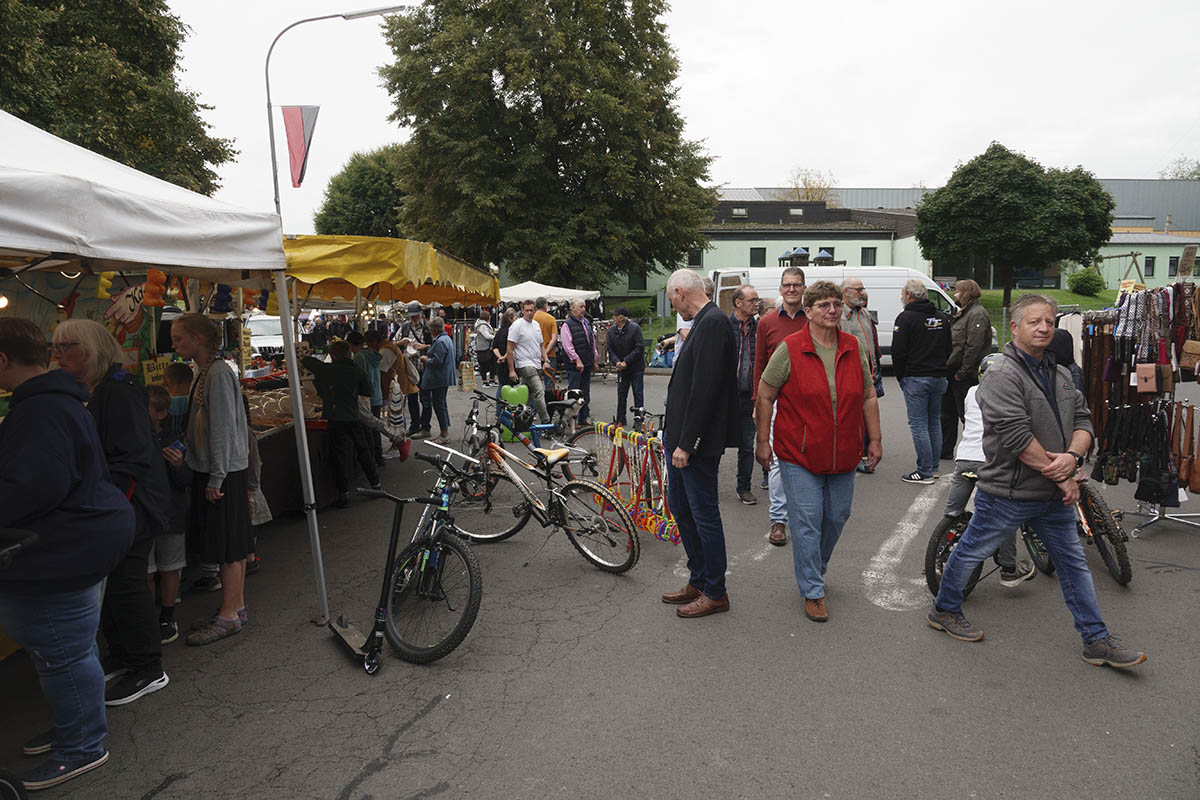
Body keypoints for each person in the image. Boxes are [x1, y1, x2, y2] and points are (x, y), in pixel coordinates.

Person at [928, 294, 1146, 669]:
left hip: (1049, 494)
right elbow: (1015, 437)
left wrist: (1073, 458)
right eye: (1035, 321)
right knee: (971, 551)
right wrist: (1064, 478)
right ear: (1014, 328)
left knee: (1074, 564)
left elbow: (1083, 422)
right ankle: (944, 610)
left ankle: (1096, 640)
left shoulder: (1060, 373)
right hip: (1008, 493)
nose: (1045, 327)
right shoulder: (1001, 374)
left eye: (1049, 321)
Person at [0, 318, 135, 792]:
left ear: (3, 360)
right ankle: (74, 729)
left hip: (66, 548)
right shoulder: (56, 401)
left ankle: (81, 744)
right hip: (83, 539)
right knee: (68, 649)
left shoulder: (42, 410)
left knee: (63, 652)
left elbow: (36, 485)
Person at [52, 319, 169, 704]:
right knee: (117, 586)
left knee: (126, 585)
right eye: (57, 346)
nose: (59, 353)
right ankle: (125, 656)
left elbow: (130, 457)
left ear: (92, 350)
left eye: (68, 345)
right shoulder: (100, 390)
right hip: (118, 506)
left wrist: (107, 505)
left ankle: (148, 667)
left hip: (130, 507)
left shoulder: (118, 391)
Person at [755, 282, 882, 623]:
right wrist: (762, 441)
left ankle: (815, 567)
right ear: (807, 312)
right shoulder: (790, 348)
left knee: (836, 516)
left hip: (844, 452)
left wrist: (875, 439)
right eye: (824, 305)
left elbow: (869, 395)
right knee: (807, 520)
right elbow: (765, 395)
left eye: (836, 304)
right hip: (799, 452)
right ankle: (813, 589)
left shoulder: (853, 346)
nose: (832, 310)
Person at [659, 269, 739, 619]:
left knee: (703, 514)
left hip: (695, 445)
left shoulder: (713, 323)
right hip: (680, 438)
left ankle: (715, 591)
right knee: (681, 508)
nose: (674, 306)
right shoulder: (704, 321)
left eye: (672, 299)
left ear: (680, 292)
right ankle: (699, 578)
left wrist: (687, 443)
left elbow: (705, 390)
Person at [169, 314, 253, 646]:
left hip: (224, 473)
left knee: (228, 546)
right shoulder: (206, 373)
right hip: (222, 470)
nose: (174, 345)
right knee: (232, 543)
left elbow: (222, 429)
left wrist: (215, 477)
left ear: (199, 339)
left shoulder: (217, 374)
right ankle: (236, 607)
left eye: (179, 339)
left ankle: (229, 615)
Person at [939, 354, 1037, 587]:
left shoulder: (971, 392)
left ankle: (938, 555)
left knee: (952, 512)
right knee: (1004, 516)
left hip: (965, 459)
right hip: (992, 462)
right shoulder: (1013, 394)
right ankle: (1009, 568)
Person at [753, 266, 808, 545]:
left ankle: (804, 516)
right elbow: (759, 365)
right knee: (775, 461)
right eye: (787, 285)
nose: (791, 289)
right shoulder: (766, 323)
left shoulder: (814, 320)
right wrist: (757, 402)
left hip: (809, 404)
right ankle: (778, 520)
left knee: (806, 458)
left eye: (796, 285)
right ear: (780, 289)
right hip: (774, 402)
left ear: (803, 288)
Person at [302, 340, 381, 504]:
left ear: (331, 355)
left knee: (339, 455)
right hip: (353, 416)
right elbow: (367, 391)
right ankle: (376, 484)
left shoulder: (328, 369)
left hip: (335, 418)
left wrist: (301, 351)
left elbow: (309, 362)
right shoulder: (356, 370)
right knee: (363, 450)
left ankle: (343, 493)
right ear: (349, 354)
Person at [892, 278, 951, 484]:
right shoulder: (941, 317)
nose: (901, 297)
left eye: (902, 293)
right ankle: (933, 468)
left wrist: (901, 376)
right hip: (938, 376)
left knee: (918, 425)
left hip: (916, 376)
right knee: (933, 422)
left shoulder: (905, 318)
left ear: (909, 295)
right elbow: (948, 348)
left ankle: (924, 471)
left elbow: (898, 352)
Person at [145, 385, 191, 644]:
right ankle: (149, 617)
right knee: (147, 571)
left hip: (171, 513)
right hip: (144, 514)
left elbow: (186, 480)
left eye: (146, 409)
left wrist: (178, 465)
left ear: (162, 413)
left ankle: (167, 616)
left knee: (170, 568)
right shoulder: (134, 438)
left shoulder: (175, 440)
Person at [940, 279, 992, 459]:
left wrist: (961, 373)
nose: (955, 294)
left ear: (966, 293)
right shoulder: (962, 313)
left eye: (958, 291)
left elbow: (973, 347)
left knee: (967, 415)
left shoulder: (977, 314)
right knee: (947, 414)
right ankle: (945, 450)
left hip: (964, 375)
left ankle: (975, 453)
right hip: (953, 371)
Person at [729, 284, 760, 504]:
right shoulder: (724, 326)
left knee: (747, 444)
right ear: (738, 303)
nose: (756, 304)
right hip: (727, 396)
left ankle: (744, 487)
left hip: (751, 396)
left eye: (757, 300)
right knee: (717, 443)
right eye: (752, 300)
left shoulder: (761, 328)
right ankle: (709, 488)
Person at [507, 299, 551, 423]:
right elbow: (509, 348)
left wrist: (546, 360)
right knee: (539, 391)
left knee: (526, 394)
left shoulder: (536, 325)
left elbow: (541, 345)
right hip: (524, 364)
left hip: (536, 364)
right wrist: (511, 370)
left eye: (532, 310)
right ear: (522, 311)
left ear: (535, 310)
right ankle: (546, 422)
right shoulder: (517, 326)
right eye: (527, 310)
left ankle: (519, 420)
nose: (529, 313)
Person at [560, 298, 598, 426]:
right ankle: (573, 420)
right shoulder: (567, 325)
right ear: (573, 309)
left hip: (587, 361)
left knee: (585, 392)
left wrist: (595, 358)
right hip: (574, 364)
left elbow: (591, 341)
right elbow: (567, 345)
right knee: (573, 393)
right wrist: (577, 359)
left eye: (584, 306)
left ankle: (584, 417)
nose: (583, 309)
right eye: (581, 307)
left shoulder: (586, 322)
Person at [418, 319, 456, 444]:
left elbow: (436, 361)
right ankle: (444, 431)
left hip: (439, 378)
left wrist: (425, 359)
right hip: (443, 377)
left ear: (434, 330)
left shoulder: (440, 341)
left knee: (439, 405)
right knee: (441, 404)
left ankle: (444, 433)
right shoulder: (446, 339)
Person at [397, 302, 432, 436]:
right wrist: (401, 343)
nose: (414, 319)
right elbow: (393, 342)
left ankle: (425, 427)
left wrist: (423, 346)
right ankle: (414, 425)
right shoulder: (405, 327)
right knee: (412, 399)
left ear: (421, 313)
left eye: (416, 316)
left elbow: (437, 346)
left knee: (425, 399)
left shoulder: (428, 328)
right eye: (412, 316)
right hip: (409, 369)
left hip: (424, 368)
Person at [349, 331, 384, 464]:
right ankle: (378, 456)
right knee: (376, 428)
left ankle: (370, 459)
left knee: (368, 429)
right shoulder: (372, 355)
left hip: (366, 397)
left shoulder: (359, 357)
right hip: (377, 394)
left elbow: (357, 379)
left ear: (351, 345)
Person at [607, 306, 645, 427]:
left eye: (615, 315)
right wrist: (617, 362)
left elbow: (639, 348)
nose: (612, 318)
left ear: (621, 318)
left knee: (638, 393)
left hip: (636, 367)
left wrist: (626, 361)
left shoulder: (635, 329)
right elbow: (610, 349)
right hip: (621, 368)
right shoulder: (611, 331)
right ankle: (620, 418)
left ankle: (639, 419)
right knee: (621, 393)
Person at [491, 308, 518, 388]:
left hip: (500, 362)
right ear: (510, 319)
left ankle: (500, 399)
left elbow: (495, 347)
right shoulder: (512, 331)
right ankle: (499, 400)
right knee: (508, 386)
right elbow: (511, 348)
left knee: (502, 384)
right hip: (509, 362)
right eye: (516, 318)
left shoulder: (500, 331)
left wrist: (500, 357)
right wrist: (504, 357)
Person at [474, 308, 497, 387]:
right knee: (484, 364)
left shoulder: (484, 324)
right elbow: (486, 335)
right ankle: (485, 381)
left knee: (491, 363)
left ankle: (491, 379)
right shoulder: (482, 325)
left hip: (486, 347)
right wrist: (494, 336)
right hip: (483, 347)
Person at [533, 297, 558, 368]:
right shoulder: (551, 319)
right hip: (549, 354)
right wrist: (545, 353)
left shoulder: (531, 318)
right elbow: (554, 338)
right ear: (545, 305)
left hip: (534, 353)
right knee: (549, 377)